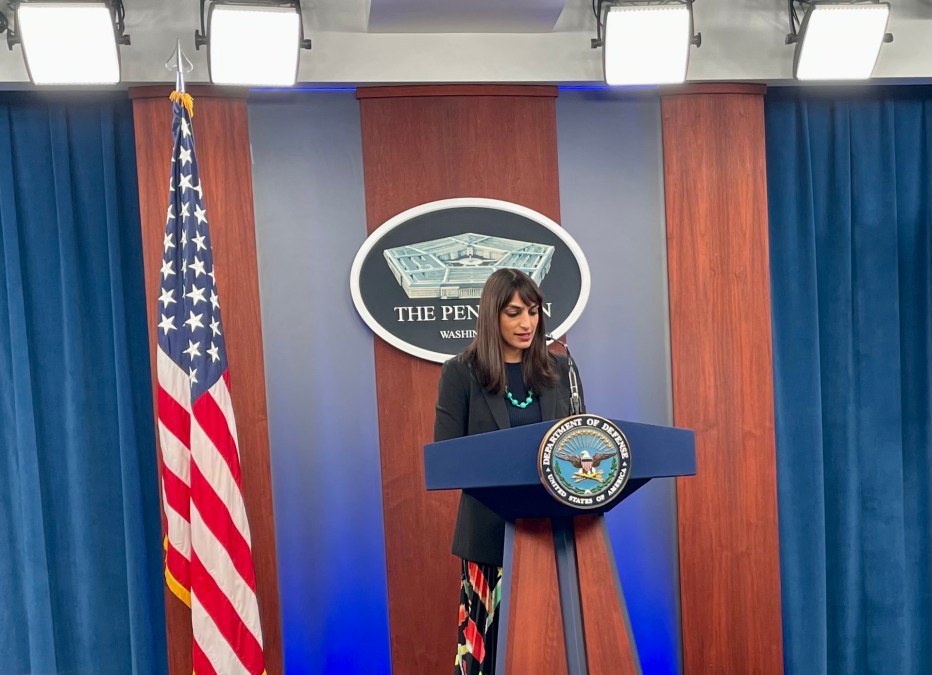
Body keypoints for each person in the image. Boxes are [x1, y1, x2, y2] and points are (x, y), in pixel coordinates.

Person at [434, 268, 582, 675]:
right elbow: (447, 458)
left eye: (533, 312)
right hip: (488, 536)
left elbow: (581, 441)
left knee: (552, 647)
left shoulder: (561, 371)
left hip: (556, 534)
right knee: (486, 650)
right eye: (514, 313)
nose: (527, 323)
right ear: (491, 315)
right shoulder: (461, 372)